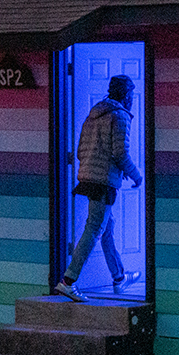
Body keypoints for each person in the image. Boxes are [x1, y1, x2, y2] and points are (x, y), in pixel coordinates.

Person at [56, 74, 143, 300]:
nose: (132, 98)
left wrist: (100, 167)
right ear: (125, 94)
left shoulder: (92, 115)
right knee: (94, 229)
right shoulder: (120, 115)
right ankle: (68, 281)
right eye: (131, 94)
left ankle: (119, 278)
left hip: (88, 178)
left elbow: (79, 151)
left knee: (107, 227)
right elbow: (120, 153)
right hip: (103, 182)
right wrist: (136, 175)